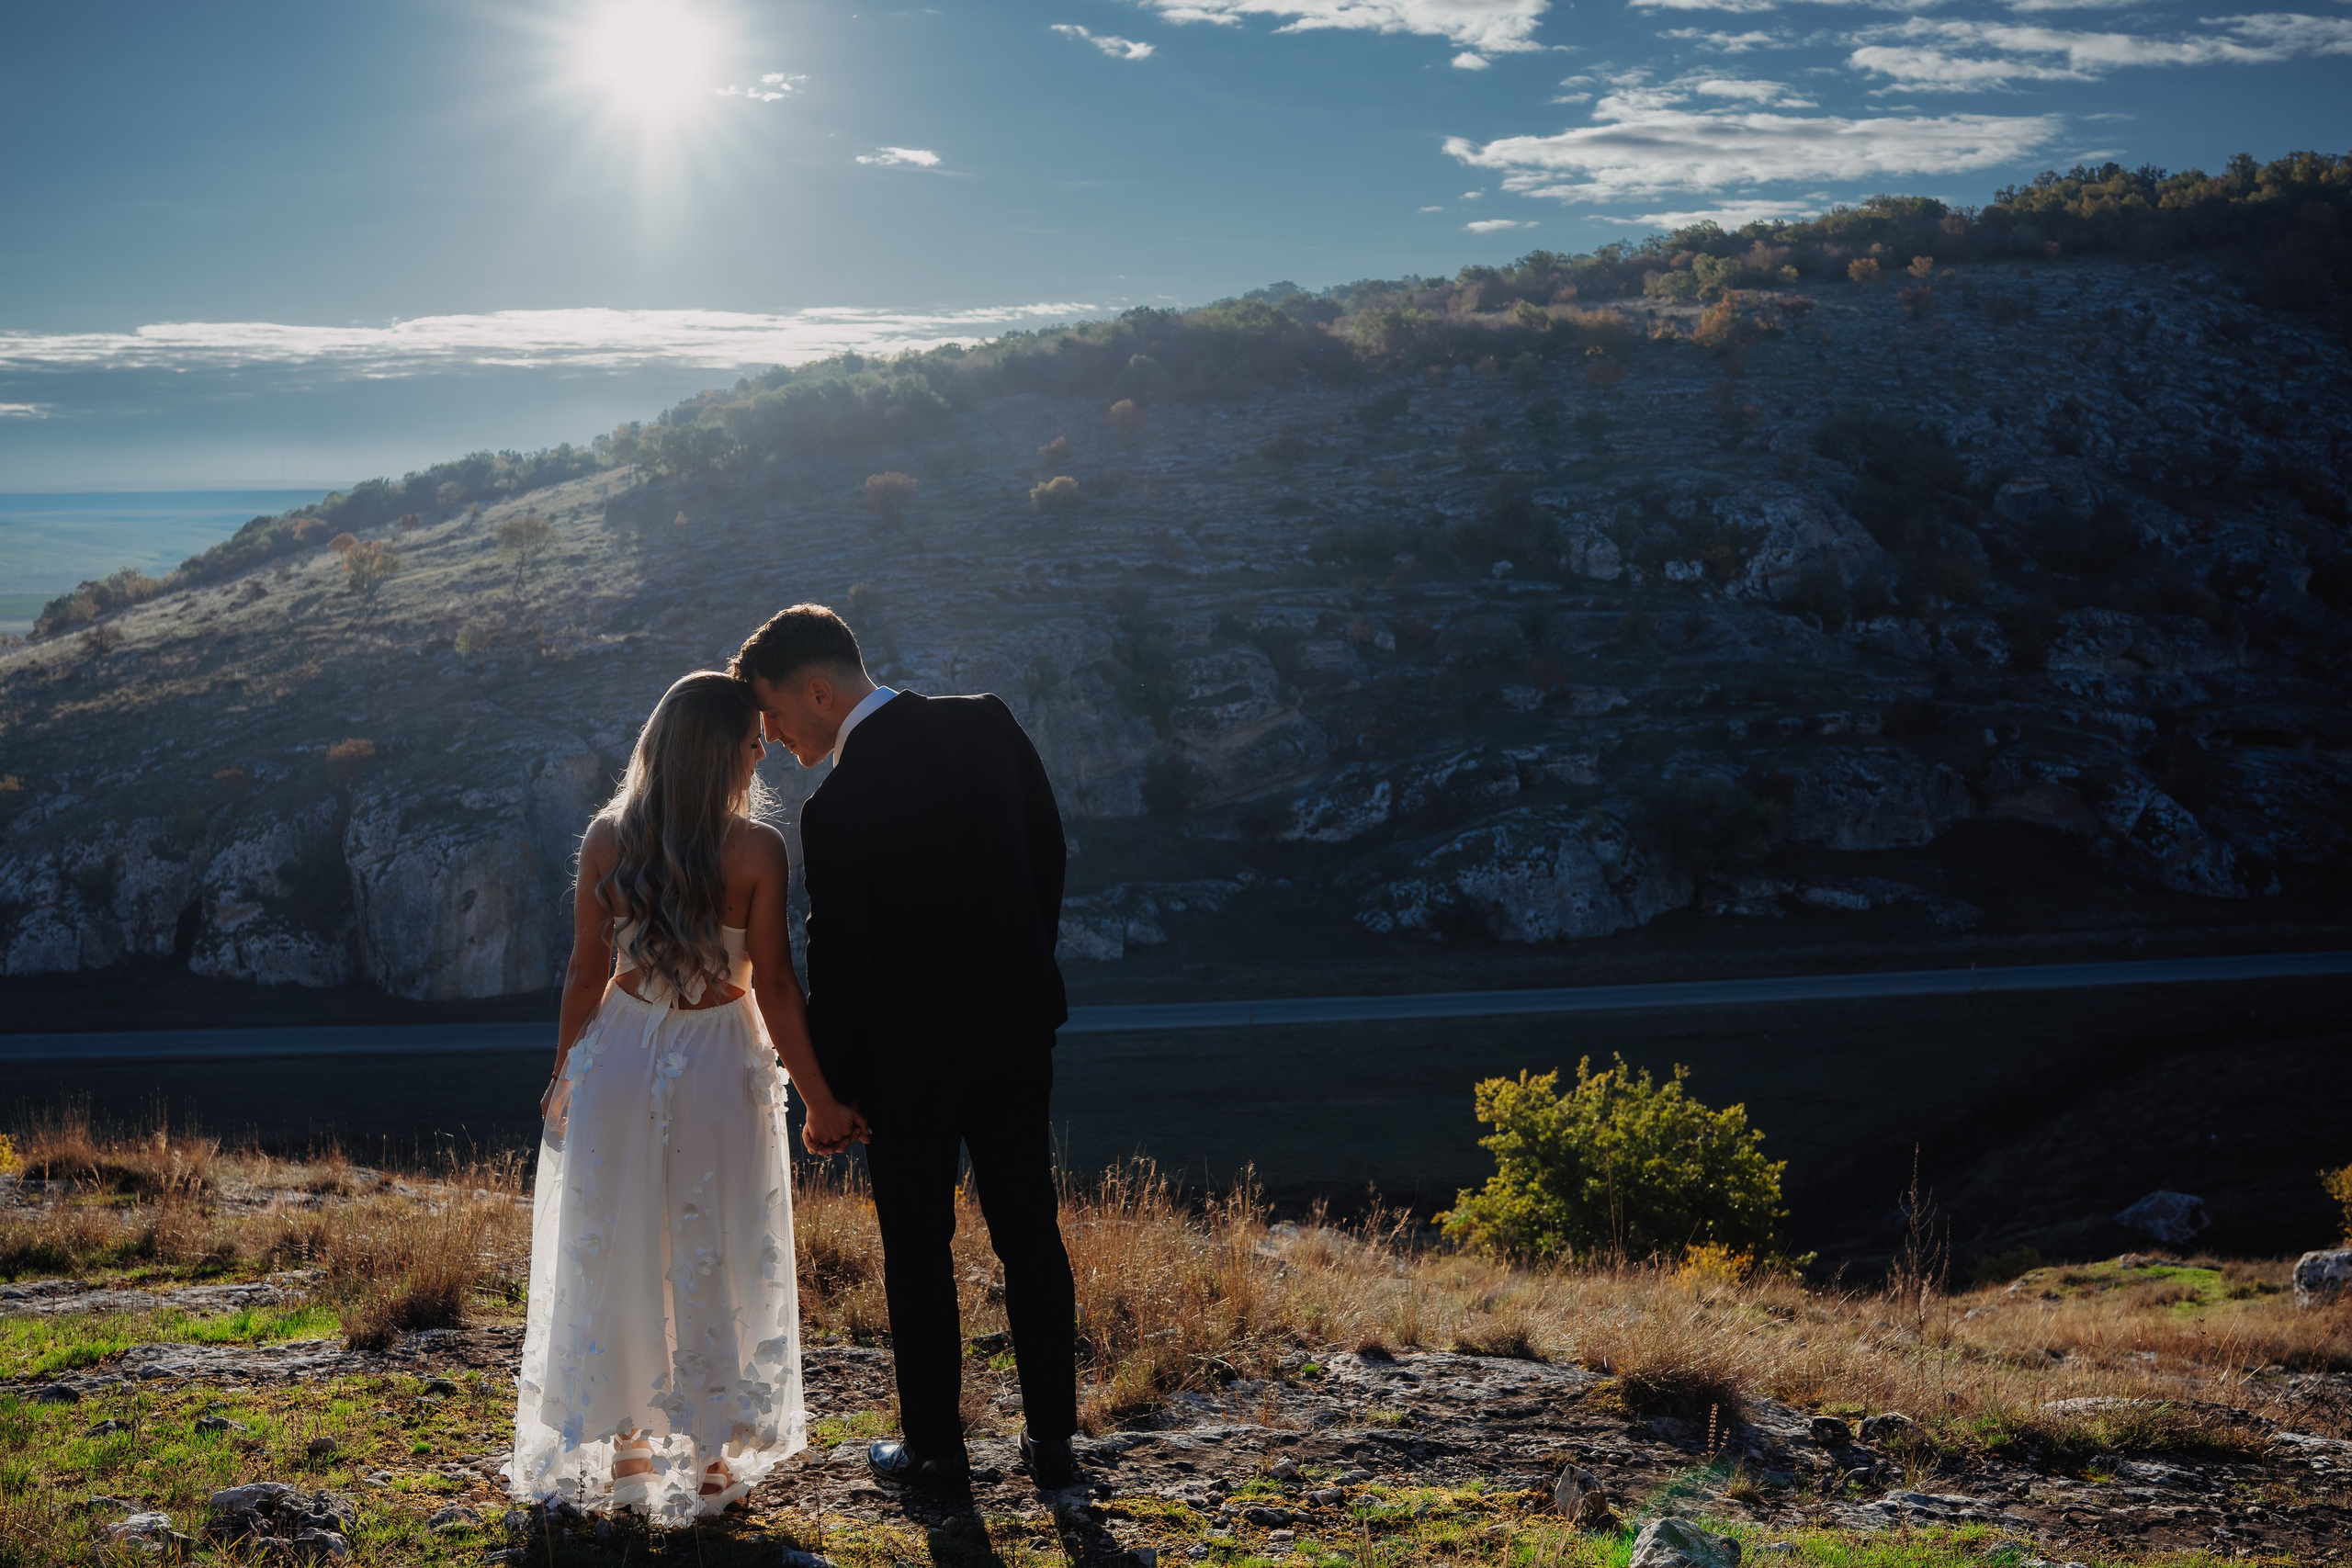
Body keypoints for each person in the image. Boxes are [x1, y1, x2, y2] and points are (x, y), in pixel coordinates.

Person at [730, 604, 1081, 1492]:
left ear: (818, 689)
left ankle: (936, 1450)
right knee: (1031, 1232)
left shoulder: (836, 807)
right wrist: (1020, 971)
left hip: (904, 1064)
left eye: (773, 712)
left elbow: (841, 967)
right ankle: (1053, 1446)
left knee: (917, 1247)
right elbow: (1049, 856)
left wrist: (834, 1094)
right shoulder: (988, 722)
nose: (771, 734)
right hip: (1013, 1033)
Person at [507, 671, 866, 1521]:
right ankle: (708, 1457)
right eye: (751, 743)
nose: (759, 754)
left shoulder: (607, 838)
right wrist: (819, 1099)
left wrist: (565, 1072)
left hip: (620, 1056)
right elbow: (775, 984)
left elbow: (584, 974)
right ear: (718, 753)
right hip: (716, 1063)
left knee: (620, 1237)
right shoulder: (757, 851)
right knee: (720, 1239)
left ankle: (627, 1450)